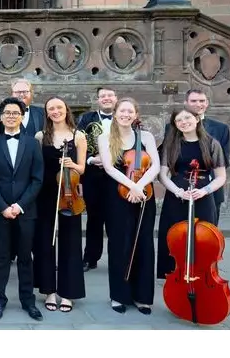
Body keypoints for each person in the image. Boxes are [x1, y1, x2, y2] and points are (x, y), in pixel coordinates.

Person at [97, 98, 160, 315]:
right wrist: (132, 185)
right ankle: (119, 295)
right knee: (119, 244)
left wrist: (140, 186)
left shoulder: (147, 137)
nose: (126, 114)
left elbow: (156, 166)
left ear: (135, 114)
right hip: (117, 197)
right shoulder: (105, 137)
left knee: (144, 244)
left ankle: (142, 297)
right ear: (115, 113)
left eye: (130, 111)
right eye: (122, 111)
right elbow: (109, 168)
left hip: (144, 195)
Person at [0, 97, 44, 321]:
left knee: (26, 258)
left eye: (15, 113)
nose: (11, 116)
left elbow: (37, 179)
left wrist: (19, 206)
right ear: (1, 117)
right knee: (1, 257)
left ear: (22, 116)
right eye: (7, 113)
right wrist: (2, 207)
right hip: (0, 212)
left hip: (26, 211)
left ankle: (28, 301)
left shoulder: (32, 143)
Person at [156, 107, 226, 279]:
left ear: (197, 119)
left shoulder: (211, 143)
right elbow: (163, 175)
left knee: (204, 239)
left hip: (202, 195)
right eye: (178, 120)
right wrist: (178, 191)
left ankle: (203, 276)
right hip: (176, 195)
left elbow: (220, 177)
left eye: (187, 118)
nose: (183, 122)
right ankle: (175, 277)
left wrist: (204, 191)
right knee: (172, 238)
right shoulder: (171, 144)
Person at [33, 96, 87, 313]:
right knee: (46, 244)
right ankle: (49, 291)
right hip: (46, 195)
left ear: (66, 110)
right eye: (51, 109)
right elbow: (37, 166)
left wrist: (72, 164)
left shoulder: (78, 136)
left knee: (70, 244)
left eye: (59, 107)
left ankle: (68, 293)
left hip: (69, 194)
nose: (55, 111)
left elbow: (82, 168)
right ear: (47, 113)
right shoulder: (40, 136)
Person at [77, 86, 117, 272]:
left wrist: (113, 160)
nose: (106, 98)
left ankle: (118, 259)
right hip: (93, 175)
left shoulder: (124, 115)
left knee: (116, 218)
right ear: (98, 100)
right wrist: (92, 159)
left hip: (118, 175)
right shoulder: (87, 119)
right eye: (103, 96)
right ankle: (90, 258)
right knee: (94, 218)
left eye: (110, 95)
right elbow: (78, 144)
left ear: (115, 98)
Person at [182, 89, 230, 224]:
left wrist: (206, 186)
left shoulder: (221, 129)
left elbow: (223, 161)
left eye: (202, 101)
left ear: (207, 103)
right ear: (186, 103)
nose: (198, 104)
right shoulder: (173, 127)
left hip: (211, 188)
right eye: (193, 101)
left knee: (208, 235)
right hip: (183, 188)